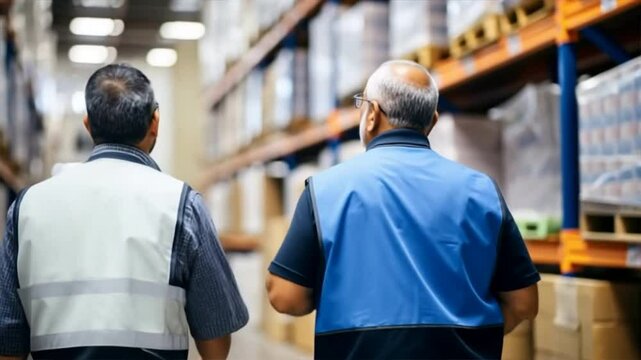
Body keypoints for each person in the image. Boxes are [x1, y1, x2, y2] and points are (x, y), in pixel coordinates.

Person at [266, 60, 539, 359]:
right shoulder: (481, 190)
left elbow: (284, 296)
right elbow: (524, 303)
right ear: (432, 122)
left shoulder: (325, 189)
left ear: (372, 114)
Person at [0, 64, 248, 360]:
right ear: (154, 122)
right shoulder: (182, 204)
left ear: (88, 125)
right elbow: (215, 339)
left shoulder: (27, 207)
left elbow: (9, 340)